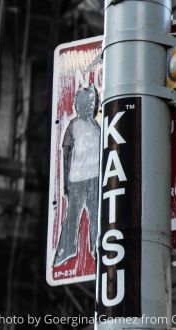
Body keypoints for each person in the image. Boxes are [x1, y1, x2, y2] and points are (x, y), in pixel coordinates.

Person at [53, 85, 100, 266]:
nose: (89, 107)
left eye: (91, 103)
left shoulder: (96, 126)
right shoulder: (73, 126)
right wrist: (65, 184)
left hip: (94, 179)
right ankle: (66, 249)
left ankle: (96, 247)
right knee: (72, 216)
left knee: (96, 216)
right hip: (77, 180)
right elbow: (66, 155)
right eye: (86, 103)